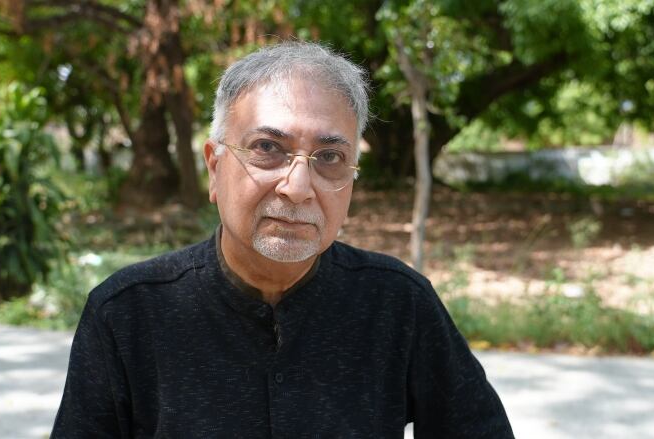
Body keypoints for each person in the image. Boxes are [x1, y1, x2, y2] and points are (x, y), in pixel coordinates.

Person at [51, 42, 513, 438]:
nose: (297, 186)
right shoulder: (128, 315)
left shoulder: (397, 305)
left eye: (329, 156)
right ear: (214, 167)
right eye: (268, 148)